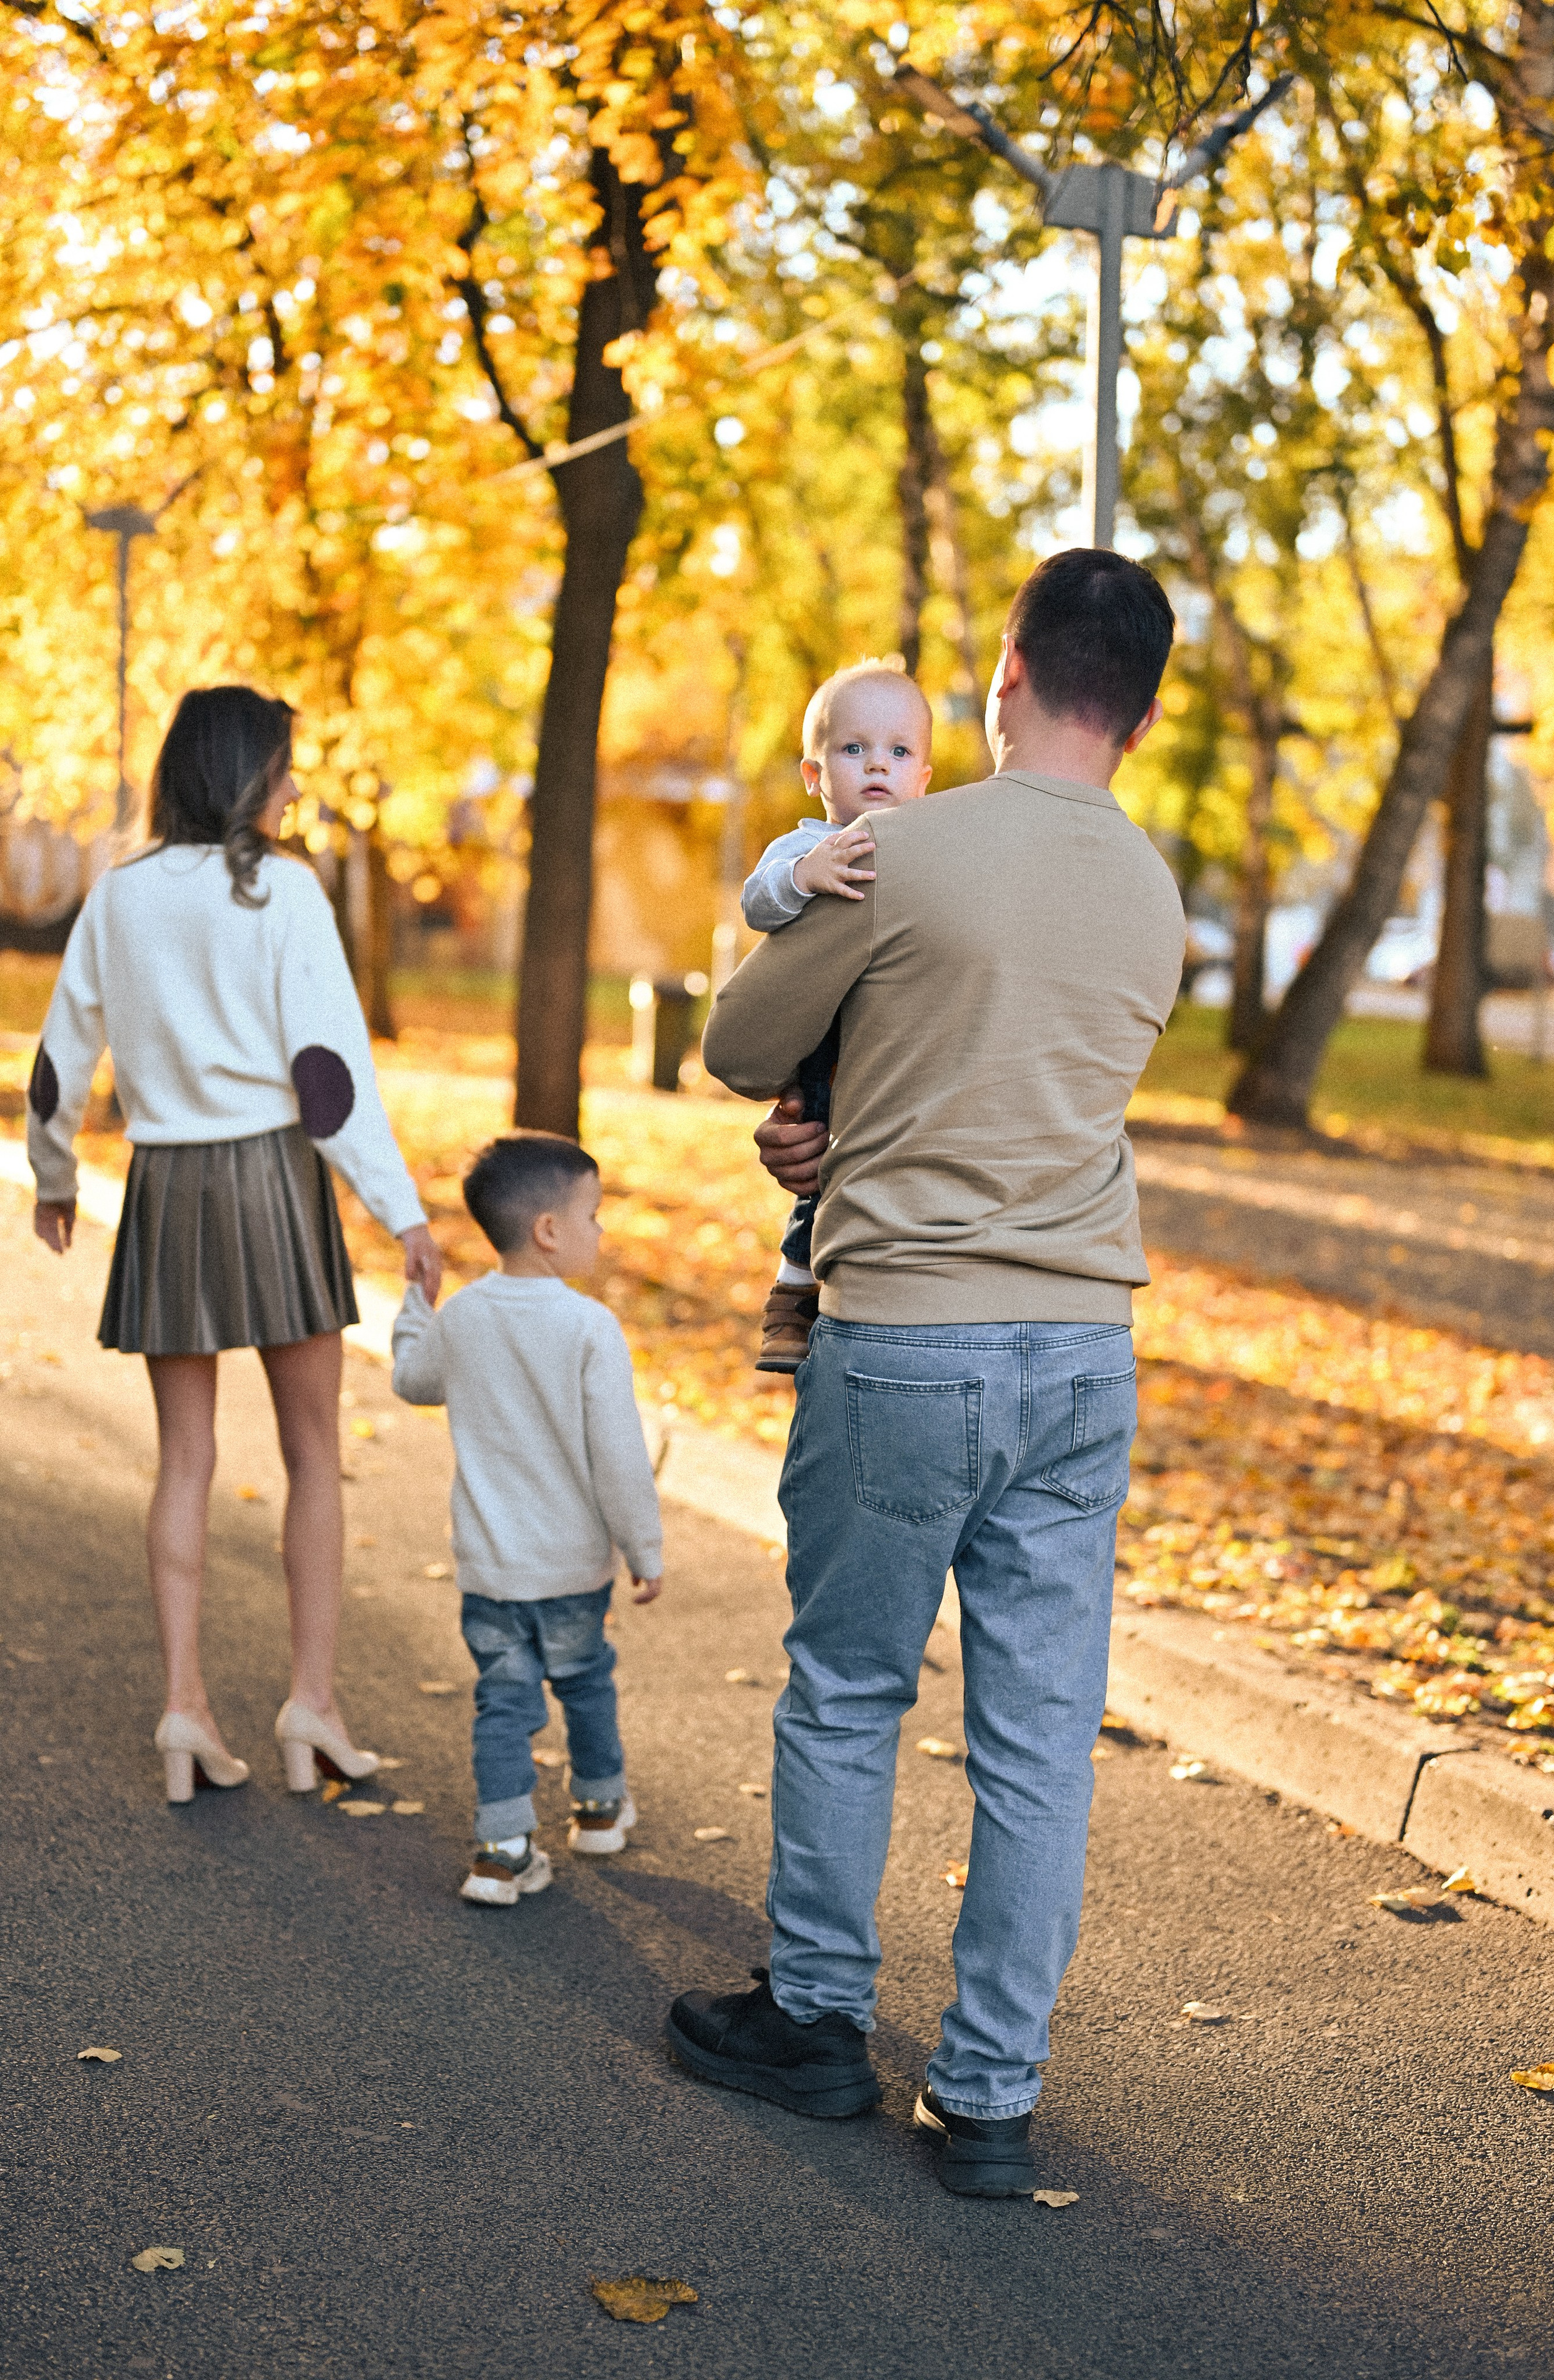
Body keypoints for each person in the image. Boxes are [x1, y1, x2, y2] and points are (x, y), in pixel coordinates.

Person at [668, 550, 1186, 2196]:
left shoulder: (899, 850)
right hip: (1085, 1347)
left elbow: (745, 1047)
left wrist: (823, 1130)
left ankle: (817, 2023)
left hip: (907, 1340)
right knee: (1037, 1736)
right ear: (1148, 705)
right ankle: (990, 2099)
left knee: (852, 1690)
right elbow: (1031, 1072)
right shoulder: (1157, 893)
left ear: (1012, 666)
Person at [28, 685, 442, 1805]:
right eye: (284, 770)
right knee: (313, 1451)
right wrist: (400, 1210)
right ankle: (313, 1700)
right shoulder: (289, 893)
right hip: (272, 1181)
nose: (296, 788)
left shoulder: (118, 898)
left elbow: (60, 1059)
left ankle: (184, 1703)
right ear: (243, 775)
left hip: (167, 1188)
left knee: (185, 1457)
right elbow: (329, 1076)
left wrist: (55, 1179)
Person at [390, 1132, 663, 1907]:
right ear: (549, 1229)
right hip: (571, 1565)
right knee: (584, 1679)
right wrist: (643, 1545)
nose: (601, 1231)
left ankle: (502, 1851)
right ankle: (600, 1809)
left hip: (491, 1567)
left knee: (503, 1704)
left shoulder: (465, 1317)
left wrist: (417, 1306)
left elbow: (414, 1380)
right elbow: (619, 1453)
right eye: (594, 1214)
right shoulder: (588, 1327)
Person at [741, 659, 932, 1376]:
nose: (876, 765)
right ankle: (793, 1289)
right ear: (814, 773)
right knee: (823, 1160)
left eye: (898, 752)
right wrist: (804, 877)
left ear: (924, 778)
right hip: (822, 1041)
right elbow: (758, 902)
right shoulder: (802, 846)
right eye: (853, 749)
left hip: (894, 1042)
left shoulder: (925, 850)